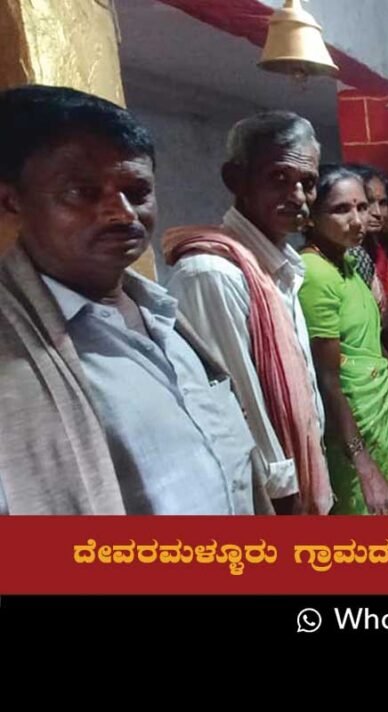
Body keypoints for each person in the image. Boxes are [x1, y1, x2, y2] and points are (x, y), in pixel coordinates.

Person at [0, 85, 263, 514]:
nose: (123, 214)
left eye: (137, 192)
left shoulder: (165, 317)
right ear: (11, 200)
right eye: (82, 192)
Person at [162, 111, 331, 515]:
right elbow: (241, 409)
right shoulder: (213, 274)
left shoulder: (280, 267)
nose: (298, 196)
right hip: (267, 500)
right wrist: (284, 498)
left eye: (307, 183)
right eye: (278, 178)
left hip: (298, 478)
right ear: (236, 180)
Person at [298, 165, 388, 515]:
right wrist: (363, 463)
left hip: (378, 410)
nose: (359, 220)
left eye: (362, 207)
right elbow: (328, 379)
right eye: (341, 209)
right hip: (354, 425)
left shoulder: (345, 262)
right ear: (311, 217)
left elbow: (370, 341)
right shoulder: (314, 273)